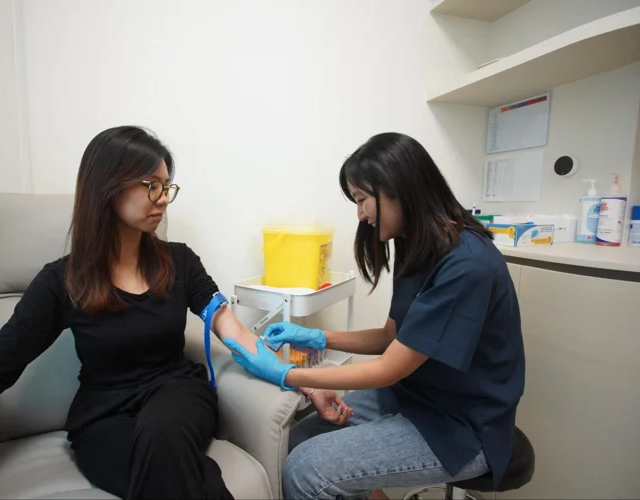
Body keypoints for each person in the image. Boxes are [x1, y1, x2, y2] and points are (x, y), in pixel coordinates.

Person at [0, 125, 351, 499]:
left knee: (163, 436)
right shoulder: (62, 281)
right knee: (184, 477)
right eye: (150, 185)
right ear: (107, 188)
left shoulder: (181, 262)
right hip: (101, 418)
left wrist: (307, 384)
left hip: (177, 394)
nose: (163, 198)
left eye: (166, 185)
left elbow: (238, 337)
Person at [224, 132, 526, 499]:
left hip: (460, 426)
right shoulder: (417, 244)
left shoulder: (467, 266)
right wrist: (319, 338)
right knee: (299, 437)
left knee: (307, 469)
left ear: (399, 187)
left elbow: (390, 367)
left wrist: (287, 373)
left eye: (362, 199)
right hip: (415, 398)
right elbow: (391, 336)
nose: (360, 214)